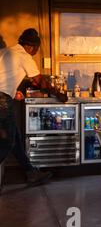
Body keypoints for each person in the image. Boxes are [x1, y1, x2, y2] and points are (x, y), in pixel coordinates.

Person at [0, 29, 67, 186]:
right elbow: (39, 81)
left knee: (15, 138)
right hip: (1, 101)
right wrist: (59, 94)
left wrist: (12, 90)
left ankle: (31, 173)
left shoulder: (5, 52)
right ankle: (31, 173)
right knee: (7, 141)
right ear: (31, 46)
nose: (35, 52)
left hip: (3, 97)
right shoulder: (24, 56)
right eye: (36, 49)